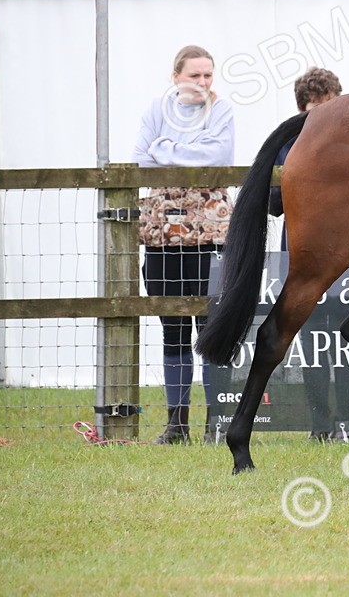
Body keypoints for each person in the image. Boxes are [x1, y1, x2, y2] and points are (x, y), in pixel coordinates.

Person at [133, 44, 235, 444]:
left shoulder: (221, 110)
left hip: (212, 236)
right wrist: (187, 154)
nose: (203, 83)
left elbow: (220, 156)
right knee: (172, 330)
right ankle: (177, 424)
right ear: (176, 76)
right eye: (195, 75)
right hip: (162, 238)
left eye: (208, 75)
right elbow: (140, 159)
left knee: (211, 329)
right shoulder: (155, 110)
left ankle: (215, 423)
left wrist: (166, 149)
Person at [269, 67, 349, 443]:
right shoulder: (289, 144)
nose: (325, 116)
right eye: (316, 109)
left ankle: (346, 422)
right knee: (311, 342)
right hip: (302, 255)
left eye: (332, 107)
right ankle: (319, 424)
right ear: (301, 109)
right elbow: (273, 202)